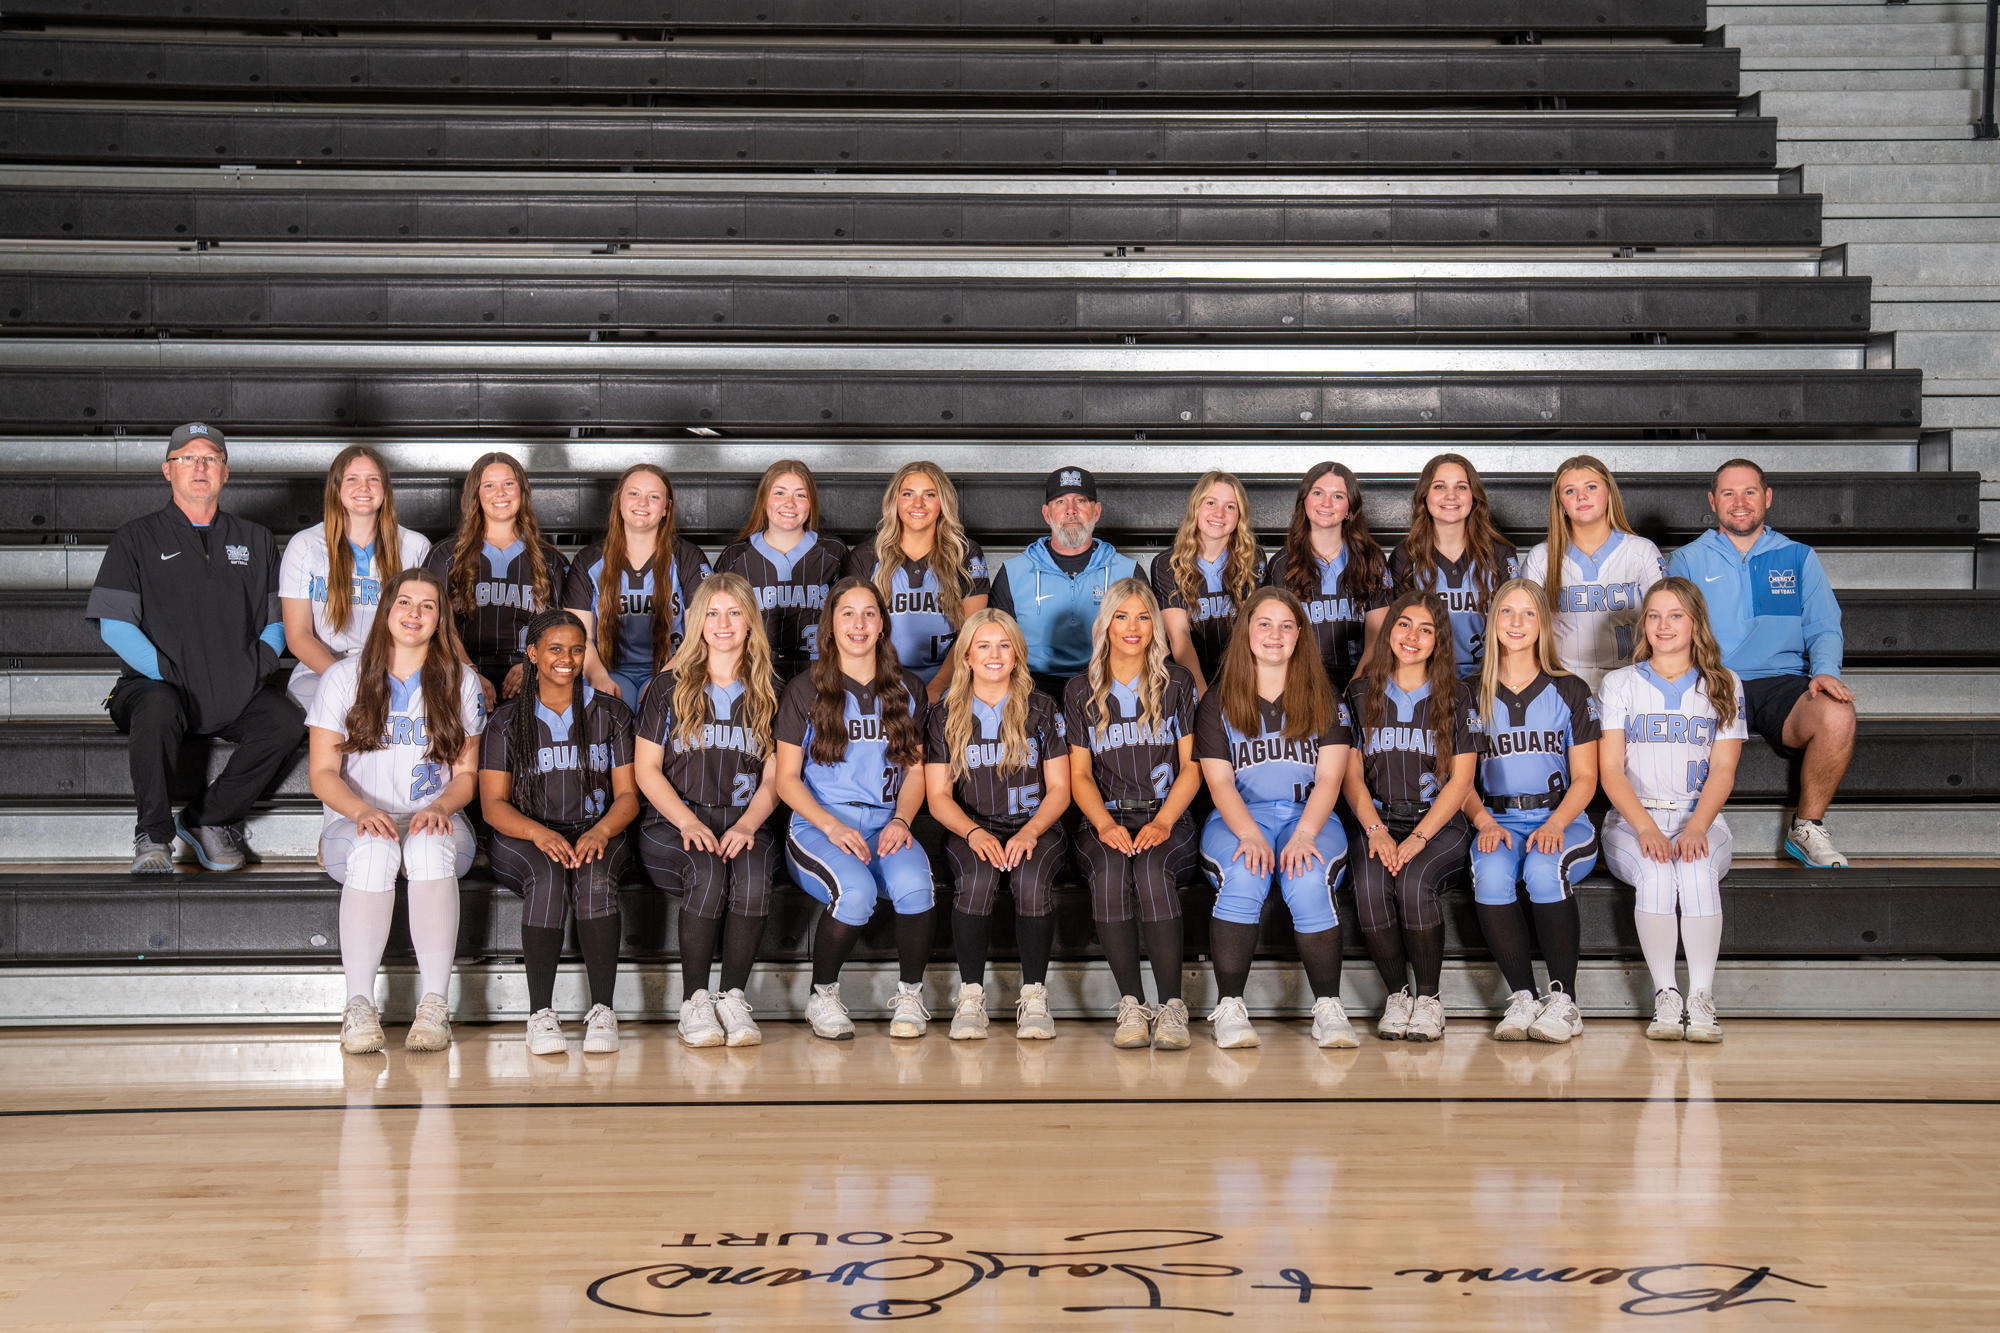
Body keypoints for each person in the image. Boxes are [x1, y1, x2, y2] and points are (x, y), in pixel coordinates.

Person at [86, 422, 304, 874]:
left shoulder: (257, 539)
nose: (199, 466)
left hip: (235, 683)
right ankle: (153, 837)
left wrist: (259, 665)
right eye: (187, 458)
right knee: (157, 707)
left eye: (210, 458)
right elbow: (115, 625)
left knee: (285, 722)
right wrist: (170, 674)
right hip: (156, 685)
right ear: (168, 470)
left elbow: (278, 618)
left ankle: (208, 817)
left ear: (226, 472)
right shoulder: (136, 537)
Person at [305, 567, 484, 1055]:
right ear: (387, 609)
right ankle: (359, 1006)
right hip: (354, 822)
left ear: (440, 619)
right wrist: (361, 811)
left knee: (426, 845)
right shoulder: (343, 676)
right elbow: (322, 772)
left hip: (437, 818)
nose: (414, 614)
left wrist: (441, 806)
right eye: (405, 602)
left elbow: (468, 775)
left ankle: (435, 1006)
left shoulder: (461, 681)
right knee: (375, 849)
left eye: (428, 606)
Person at [1665, 459, 1855, 869]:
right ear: (1712, 501)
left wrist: (1825, 671)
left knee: (1838, 715)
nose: (1740, 502)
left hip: (1779, 682)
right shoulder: (1687, 560)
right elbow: (1672, 631)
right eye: (1729, 493)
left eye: (1749, 492)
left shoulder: (1798, 556)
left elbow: (1823, 625)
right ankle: (1676, 824)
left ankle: (1806, 827)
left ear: (1767, 497)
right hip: (1712, 680)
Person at [775, 577, 937, 1041]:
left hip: (886, 822)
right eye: (848, 613)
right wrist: (830, 825)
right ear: (831, 623)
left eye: (869, 613)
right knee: (857, 891)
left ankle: (910, 995)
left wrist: (902, 820)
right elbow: (786, 779)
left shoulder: (908, 687)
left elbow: (915, 772)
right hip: (820, 826)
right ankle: (822, 995)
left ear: (883, 623)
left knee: (916, 887)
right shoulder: (805, 689)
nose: (859, 624)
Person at [1194, 587, 1356, 1051]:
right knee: (1244, 872)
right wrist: (1248, 834)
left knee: (1307, 876)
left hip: (1311, 815)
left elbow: (1331, 778)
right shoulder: (1218, 700)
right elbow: (1219, 783)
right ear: (1246, 631)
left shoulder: (1325, 696)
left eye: (1286, 625)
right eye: (1264, 624)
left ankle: (1328, 1006)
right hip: (1239, 817)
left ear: (1300, 634)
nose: (1275, 634)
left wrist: (1304, 834)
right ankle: (1230, 1006)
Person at [479, 608, 639, 1057]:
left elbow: (628, 797)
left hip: (596, 828)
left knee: (595, 876)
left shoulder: (611, 713)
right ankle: (540, 1014)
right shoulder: (506, 721)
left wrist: (601, 831)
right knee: (547, 877)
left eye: (576, 649)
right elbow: (492, 805)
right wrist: (538, 834)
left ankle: (603, 1010)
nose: (566, 659)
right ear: (532, 653)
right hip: (524, 834)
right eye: (554, 649)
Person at [634, 573, 780, 1049]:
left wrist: (749, 824)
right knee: (707, 870)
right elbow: (646, 770)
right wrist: (687, 821)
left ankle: (733, 998)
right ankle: (694, 1002)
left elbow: (776, 777)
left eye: (735, 613)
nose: (723, 623)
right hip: (672, 822)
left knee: (753, 876)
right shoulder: (667, 687)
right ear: (697, 622)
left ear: (750, 622)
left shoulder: (771, 690)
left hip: (744, 818)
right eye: (713, 613)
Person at [1598, 577, 1747, 1044]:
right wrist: (1646, 829)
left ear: (1695, 621)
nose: (1664, 625)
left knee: (1697, 871)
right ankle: (1666, 995)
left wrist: (1696, 826)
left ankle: (1701, 997)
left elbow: (1724, 768)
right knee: (1658, 874)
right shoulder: (1619, 683)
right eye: (1655, 616)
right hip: (1631, 820)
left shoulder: (1724, 683)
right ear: (1644, 623)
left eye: (1676, 615)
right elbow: (1610, 770)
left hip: (1700, 818)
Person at [1064, 578, 1203, 1050]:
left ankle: (1171, 1006)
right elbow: (1079, 774)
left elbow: (1192, 767)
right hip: (1103, 819)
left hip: (1168, 816)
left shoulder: (1177, 682)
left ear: (1155, 626)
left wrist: (1163, 822)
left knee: (1152, 869)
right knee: (1108, 874)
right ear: (1105, 624)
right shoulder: (1080, 689)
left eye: (1144, 617)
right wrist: (1104, 825)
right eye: (1121, 616)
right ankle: (1132, 1004)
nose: (1133, 627)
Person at [1462, 578, 1600, 1045]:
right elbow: (1459, 780)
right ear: (1492, 621)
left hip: (1562, 818)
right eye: (1507, 611)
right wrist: (1483, 821)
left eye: (1528, 613)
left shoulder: (1570, 689)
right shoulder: (1468, 693)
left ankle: (1564, 1002)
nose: (1516, 622)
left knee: (1543, 868)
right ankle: (1522, 997)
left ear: (1543, 623)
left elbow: (1587, 777)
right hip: (1496, 819)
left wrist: (1557, 823)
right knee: (1491, 873)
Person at [924, 609, 1071, 1041]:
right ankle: (971, 996)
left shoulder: (1042, 707)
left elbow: (1060, 788)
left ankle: (1035, 997)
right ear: (966, 656)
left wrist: (1031, 831)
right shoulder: (944, 714)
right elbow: (938, 796)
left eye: (1004, 645)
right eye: (984, 646)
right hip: (972, 825)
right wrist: (973, 832)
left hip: (1035, 825)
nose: (994, 654)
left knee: (1030, 881)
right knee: (977, 879)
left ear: (1017, 653)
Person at [1341, 591, 1479, 1043]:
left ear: (1439, 640)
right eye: (1404, 624)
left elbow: (1461, 781)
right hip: (1377, 819)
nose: (1412, 637)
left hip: (1438, 823)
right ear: (1389, 630)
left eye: (1426, 629)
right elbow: (1350, 776)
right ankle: (1397, 995)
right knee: (1369, 886)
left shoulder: (1458, 695)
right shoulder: (1358, 693)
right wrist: (1376, 831)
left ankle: (1429, 998)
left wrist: (1418, 838)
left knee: (1414, 882)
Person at [280, 445, 431, 711]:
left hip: (395, 668)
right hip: (321, 669)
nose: (364, 487)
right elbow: (297, 634)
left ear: (385, 488)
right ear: (336, 488)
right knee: (338, 708)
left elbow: (427, 624)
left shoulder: (415, 546)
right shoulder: (304, 545)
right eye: (352, 479)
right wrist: (345, 680)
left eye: (373, 479)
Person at [422, 452, 569, 707]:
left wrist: (534, 665)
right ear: (475, 494)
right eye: (489, 485)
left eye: (508, 483)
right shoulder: (445, 556)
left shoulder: (550, 560)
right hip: (461, 671)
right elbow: (432, 624)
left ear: (522, 491)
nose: (500, 493)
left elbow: (565, 630)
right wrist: (468, 672)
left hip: (531, 672)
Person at [563, 464, 713, 709]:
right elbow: (580, 637)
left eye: (654, 497)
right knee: (606, 709)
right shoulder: (589, 561)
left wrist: (663, 680)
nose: (642, 503)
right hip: (608, 670)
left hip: (673, 668)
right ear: (619, 501)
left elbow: (700, 634)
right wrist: (598, 677)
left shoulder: (688, 558)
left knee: (663, 709)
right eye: (634, 493)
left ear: (666, 508)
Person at [1519, 455, 1666, 692]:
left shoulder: (1641, 551)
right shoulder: (1541, 557)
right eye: (1570, 491)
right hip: (1562, 682)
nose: (1581, 496)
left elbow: (1666, 621)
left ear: (1608, 493)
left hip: (1631, 679)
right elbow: (1524, 628)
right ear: (1561, 503)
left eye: (1591, 487)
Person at [846, 462, 989, 703]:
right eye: (908, 494)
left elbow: (972, 633)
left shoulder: (965, 553)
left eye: (929, 495)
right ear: (895, 501)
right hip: (881, 680)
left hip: (951, 682)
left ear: (943, 502)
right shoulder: (866, 555)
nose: (918, 504)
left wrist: (937, 687)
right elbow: (852, 631)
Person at [989, 466, 1137, 698]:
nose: (1071, 510)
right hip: (1031, 688)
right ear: (1047, 514)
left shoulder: (1128, 572)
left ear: (1097, 511)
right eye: (1060, 502)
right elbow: (994, 645)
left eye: (1081, 501)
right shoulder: (1013, 573)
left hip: (1107, 685)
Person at [715, 460, 850, 683]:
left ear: (811, 503)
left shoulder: (834, 552)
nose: (790, 503)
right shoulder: (736, 555)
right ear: (764, 499)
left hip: (819, 674)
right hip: (753, 675)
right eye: (779, 493)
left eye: (800, 495)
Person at [1263, 461, 1393, 689]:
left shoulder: (1371, 559)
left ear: (1350, 508)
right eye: (1318, 493)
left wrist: (1354, 692)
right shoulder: (1282, 564)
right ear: (1304, 499)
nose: (1326, 503)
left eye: (1338, 496)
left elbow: (1378, 639)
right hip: (1300, 684)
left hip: (1361, 681)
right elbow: (1276, 641)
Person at [1390, 453, 1518, 680]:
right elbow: (1396, 633)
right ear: (1424, 496)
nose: (1451, 495)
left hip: (1489, 679)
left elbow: (1517, 626)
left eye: (1461, 487)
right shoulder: (1405, 556)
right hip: (1426, 679)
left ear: (1474, 496)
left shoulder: (1500, 554)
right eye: (1439, 486)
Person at [1153, 470, 1264, 692]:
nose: (1219, 514)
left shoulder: (1252, 558)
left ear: (1240, 516)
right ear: (1196, 507)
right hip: (1189, 678)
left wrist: (1241, 687)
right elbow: (1179, 636)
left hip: (1240, 674)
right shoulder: (1166, 564)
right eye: (1211, 503)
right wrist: (1202, 695)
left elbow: (1249, 630)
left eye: (1230, 506)